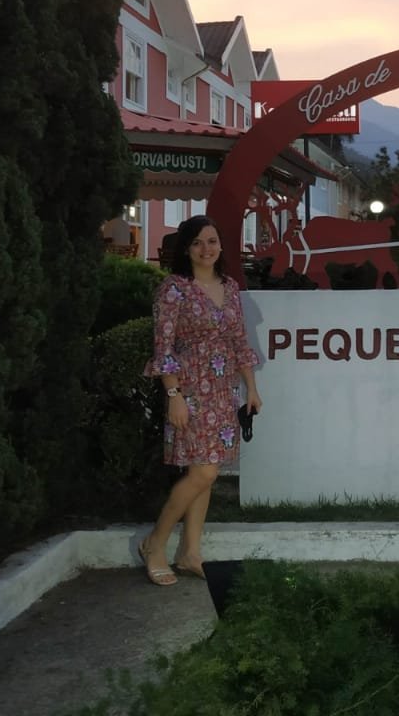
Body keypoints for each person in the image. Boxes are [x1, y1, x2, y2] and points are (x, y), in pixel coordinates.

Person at [139, 214, 263, 586]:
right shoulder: (173, 290)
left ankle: (190, 552)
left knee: (205, 474)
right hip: (190, 391)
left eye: (211, 241)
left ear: (221, 245)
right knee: (204, 471)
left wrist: (251, 388)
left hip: (223, 389)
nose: (206, 249)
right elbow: (162, 349)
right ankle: (155, 543)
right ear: (186, 249)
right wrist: (173, 395)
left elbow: (239, 341)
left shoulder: (230, 287)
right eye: (197, 243)